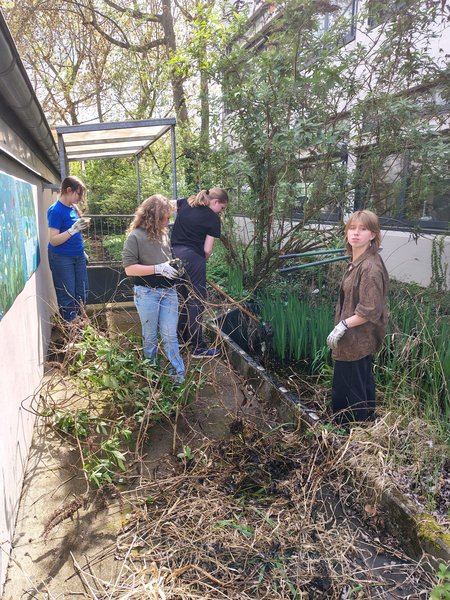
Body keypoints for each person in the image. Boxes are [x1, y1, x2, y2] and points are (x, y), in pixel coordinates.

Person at [326, 210, 389, 425]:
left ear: (373, 234)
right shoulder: (359, 260)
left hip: (357, 339)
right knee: (360, 383)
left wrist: (343, 325)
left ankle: (349, 429)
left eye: (363, 229)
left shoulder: (370, 267)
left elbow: (370, 309)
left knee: (349, 388)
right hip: (356, 339)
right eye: (352, 228)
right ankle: (365, 424)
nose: (355, 233)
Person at [123, 195, 185, 383]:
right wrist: (158, 268)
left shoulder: (163, 234)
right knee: (150, 338)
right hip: (147, 293)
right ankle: (152, 376)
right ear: (154, 216)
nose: (169, 220)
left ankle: (178, 377)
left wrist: (173, 267)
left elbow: (165, 259)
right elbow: (129, 269)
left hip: (169, 292)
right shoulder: (135, 237)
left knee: (170, 336)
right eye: (166, 216)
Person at [171, 187, 229, 358]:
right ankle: (198, 347)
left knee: (182, 297)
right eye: (222, 208)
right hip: (193, 257)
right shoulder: (213, 218)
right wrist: (199, 262)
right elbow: (207, 250)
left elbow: (163, 204)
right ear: (216, 202)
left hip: (174, 256)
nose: (221, 211)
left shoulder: (186, 203)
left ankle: (181, 338)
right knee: (197, 301)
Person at [47, 175, 90, 322]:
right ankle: (71, 330)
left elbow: (75, 234)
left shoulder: (72, 207)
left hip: (78, 256)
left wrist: (82, 251)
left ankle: (80, 325)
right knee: (68, 296)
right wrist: (73, 230)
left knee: (82, 293)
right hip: (62, 258)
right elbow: (53, 240)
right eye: (79, 194)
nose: (80, 198)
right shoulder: (55, 211)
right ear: (69, 190)